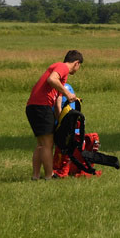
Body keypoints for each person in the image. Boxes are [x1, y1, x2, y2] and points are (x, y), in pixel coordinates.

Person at [26, 51, 82, 180]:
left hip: (33, 107)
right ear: (76, 63)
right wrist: (68, 94)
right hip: (41, 106)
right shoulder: (62, 67)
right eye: (79, 66)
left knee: (41, 143)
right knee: (47, 144)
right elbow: (51, 79)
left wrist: (60, 121)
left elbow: (57, 101)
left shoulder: (62, 74)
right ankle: (49, 176)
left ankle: (35, 176)